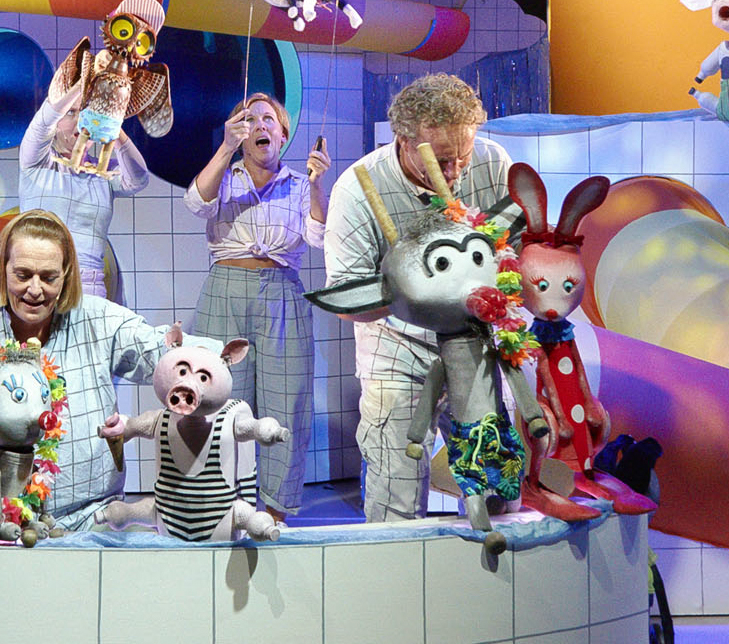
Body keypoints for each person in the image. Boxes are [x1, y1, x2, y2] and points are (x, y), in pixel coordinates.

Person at [0, 210, 166, 529]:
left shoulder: (101, 320)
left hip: (89, 522)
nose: (35, 290)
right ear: (3, 270)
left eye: (48, 278)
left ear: (66, 275)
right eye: (22, 275)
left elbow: (166, 354)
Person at [321, 73, 512, 523]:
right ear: (404, 141)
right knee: (396, 498)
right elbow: (347, 298)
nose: (455, 172)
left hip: (476, 346)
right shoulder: (356, 189)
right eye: (442, 160)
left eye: (463, 156)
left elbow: (513, 251)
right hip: (397, 352)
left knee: (497, 487)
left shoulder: (491, 162)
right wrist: (418, 292)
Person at [183, 92, 328, 522]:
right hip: (225, 289)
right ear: (240, 134)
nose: (260, 125)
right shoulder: (225, 176)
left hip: (283, 294)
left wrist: (317, 184)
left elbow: (319, 237)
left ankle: (276, 513)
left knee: (288, 402)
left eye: (269, 119)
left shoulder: (300, 184)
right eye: (250, 120)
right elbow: (195, 203)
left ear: (283, 134)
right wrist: (225, 148)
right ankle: (219, 507)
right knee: (219, 399)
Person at [17, 0, 162, 295]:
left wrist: (112, 116)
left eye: (84, 113)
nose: (78, 120)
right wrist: (85, 82)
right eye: (71, 113)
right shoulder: (36, 162)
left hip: (90, 285)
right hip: (38, 282)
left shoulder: (101, 175)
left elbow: (138, 179)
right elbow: (45, 119)